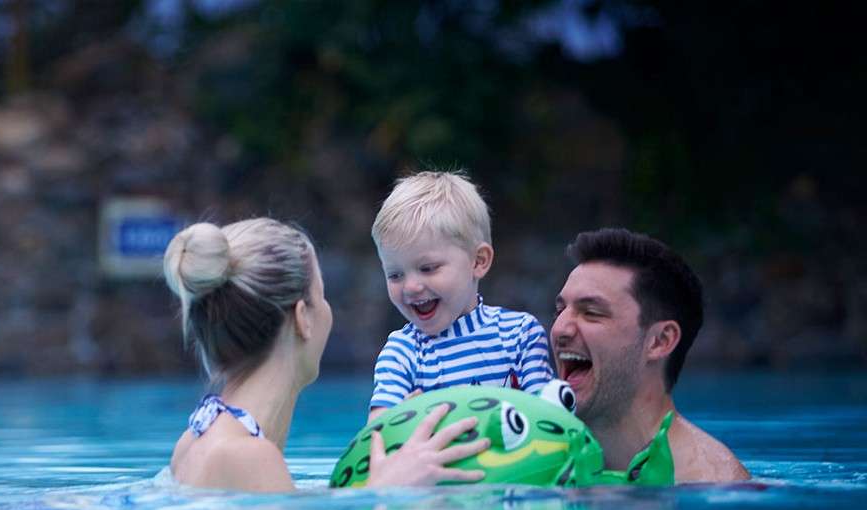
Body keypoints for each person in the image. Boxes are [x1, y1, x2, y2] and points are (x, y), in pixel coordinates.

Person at [163, 218, 491, 492]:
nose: (328, 312)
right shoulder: (247, 457)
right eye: (322, 296)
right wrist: (385, 493)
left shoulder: (194, 441)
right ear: (303, 317)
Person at [551, 228, 750, 483]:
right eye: (559, 311)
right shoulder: (536, 453)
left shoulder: (710, 482)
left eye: (591, 312)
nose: (559, 329)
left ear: (660, 341)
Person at [368, 171, 554, 421]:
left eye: (428, 268)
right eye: (395, 275)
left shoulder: (519, 336)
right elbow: (376, 439)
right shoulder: (403, 353)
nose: (411, 286)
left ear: (478, 261)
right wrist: (395, 421)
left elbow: (552, 422)